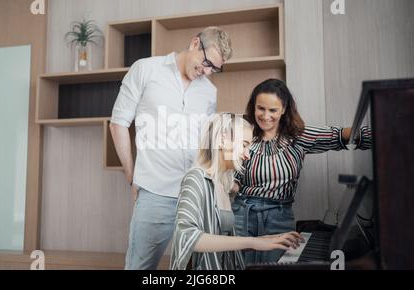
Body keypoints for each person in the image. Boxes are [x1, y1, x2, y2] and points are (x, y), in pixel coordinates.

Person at [109, 27, 233, 270]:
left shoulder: (209, 91)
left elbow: (205, 143)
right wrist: (131, 175)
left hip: (197, 195)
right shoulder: (146, 69)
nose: (206, 71)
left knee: (197, 270)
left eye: (214, 69)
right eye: (206, 62)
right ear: (195, 43)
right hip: (155, 194)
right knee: (140, 267)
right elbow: (118, 123)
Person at [231, 79, 372, 264]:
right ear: (253, 107)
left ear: (284, 109)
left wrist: (386, 133)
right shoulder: (244, 134)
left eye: (273, 110)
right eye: (261, 108)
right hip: (243, 214)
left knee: (276, 267)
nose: (266, 116)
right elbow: (235, 179)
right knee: (241, 267)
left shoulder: (298, 136)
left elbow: (340, 135)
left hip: (279, 216)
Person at [171, 113, 303, 270]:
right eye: (244, 145)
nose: (247, 155)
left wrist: (267, 240)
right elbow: (186, 236)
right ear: (222, 140)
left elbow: (223, 241)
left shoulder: (221, 184)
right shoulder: (195, 179)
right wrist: (253, 242)